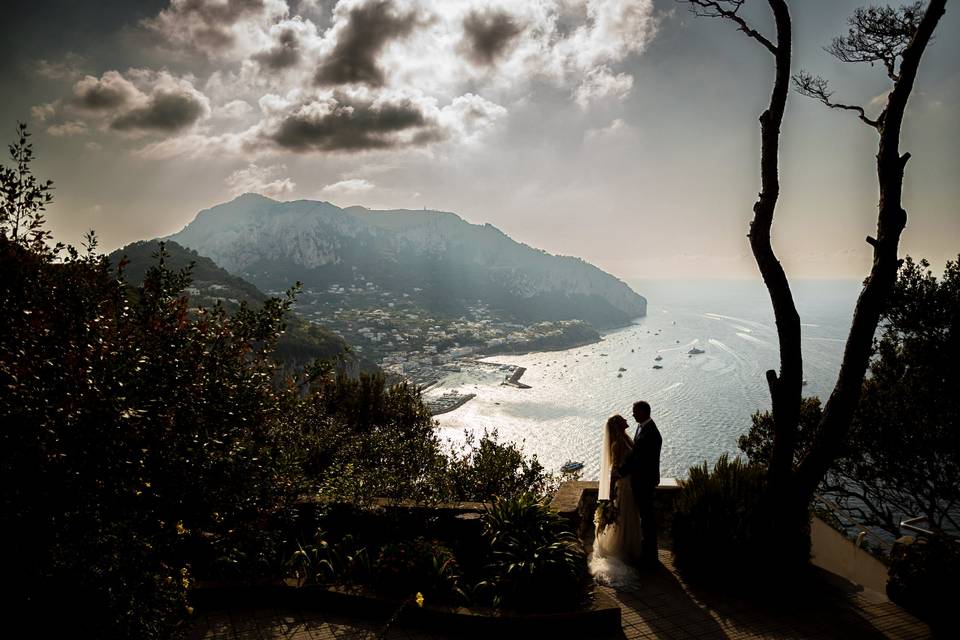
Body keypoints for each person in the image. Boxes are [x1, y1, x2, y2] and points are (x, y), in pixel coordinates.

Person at [590, 414, 643, 587]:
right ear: (618, 425)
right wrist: (612, 490)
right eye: (623, 420)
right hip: (623, 486)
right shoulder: (616, 444)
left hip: (630, 484)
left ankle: (630, 549)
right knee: (624, 516)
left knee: (630, 516)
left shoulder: (626, 439)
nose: (627, 420)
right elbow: (614, 469)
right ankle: (622, 550)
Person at [616, 400, 662, 568]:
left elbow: (638, 459)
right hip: (641, 480)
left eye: (635, 411)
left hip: (645, 482)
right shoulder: (642, 427)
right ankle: (648, 554)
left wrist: (620, 472)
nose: (633, 414)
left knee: (647, 519)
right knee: (645, 518)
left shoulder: (650, 433)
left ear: (644, 412)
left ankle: (651, 558)